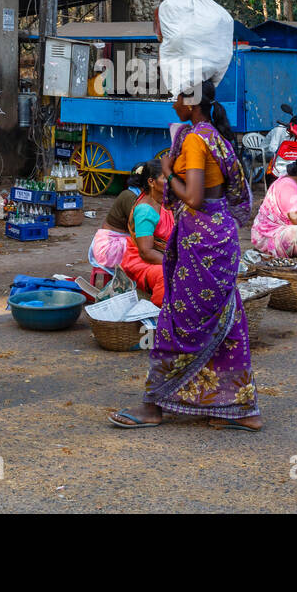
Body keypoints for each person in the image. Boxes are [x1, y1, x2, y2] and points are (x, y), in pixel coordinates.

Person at [109, 80, 258, 431]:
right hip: (220, 236)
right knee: (224, 317)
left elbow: (192, 197)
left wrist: (165, 174)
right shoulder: (213, 136)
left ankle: (153, 405)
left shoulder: (193, 140)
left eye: (177, 97)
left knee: (178, 320)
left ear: (191, 103)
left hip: (202, 239)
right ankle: (242, 409)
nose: (173, 102)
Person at [119, 159, 175, 306]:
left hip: (159, 256)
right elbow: (146, 252)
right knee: (169, 275)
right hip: (141, 261)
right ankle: (159, 315)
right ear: (151, 182)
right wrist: (175, 263)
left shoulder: (163, 203)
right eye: (165, 178)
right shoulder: (145, 210)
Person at [88, 165, 148, 282]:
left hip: (115, 242)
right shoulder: (130, 197)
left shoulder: (135, 195)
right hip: (109, 247)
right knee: (145, 252)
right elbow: (140, 227)